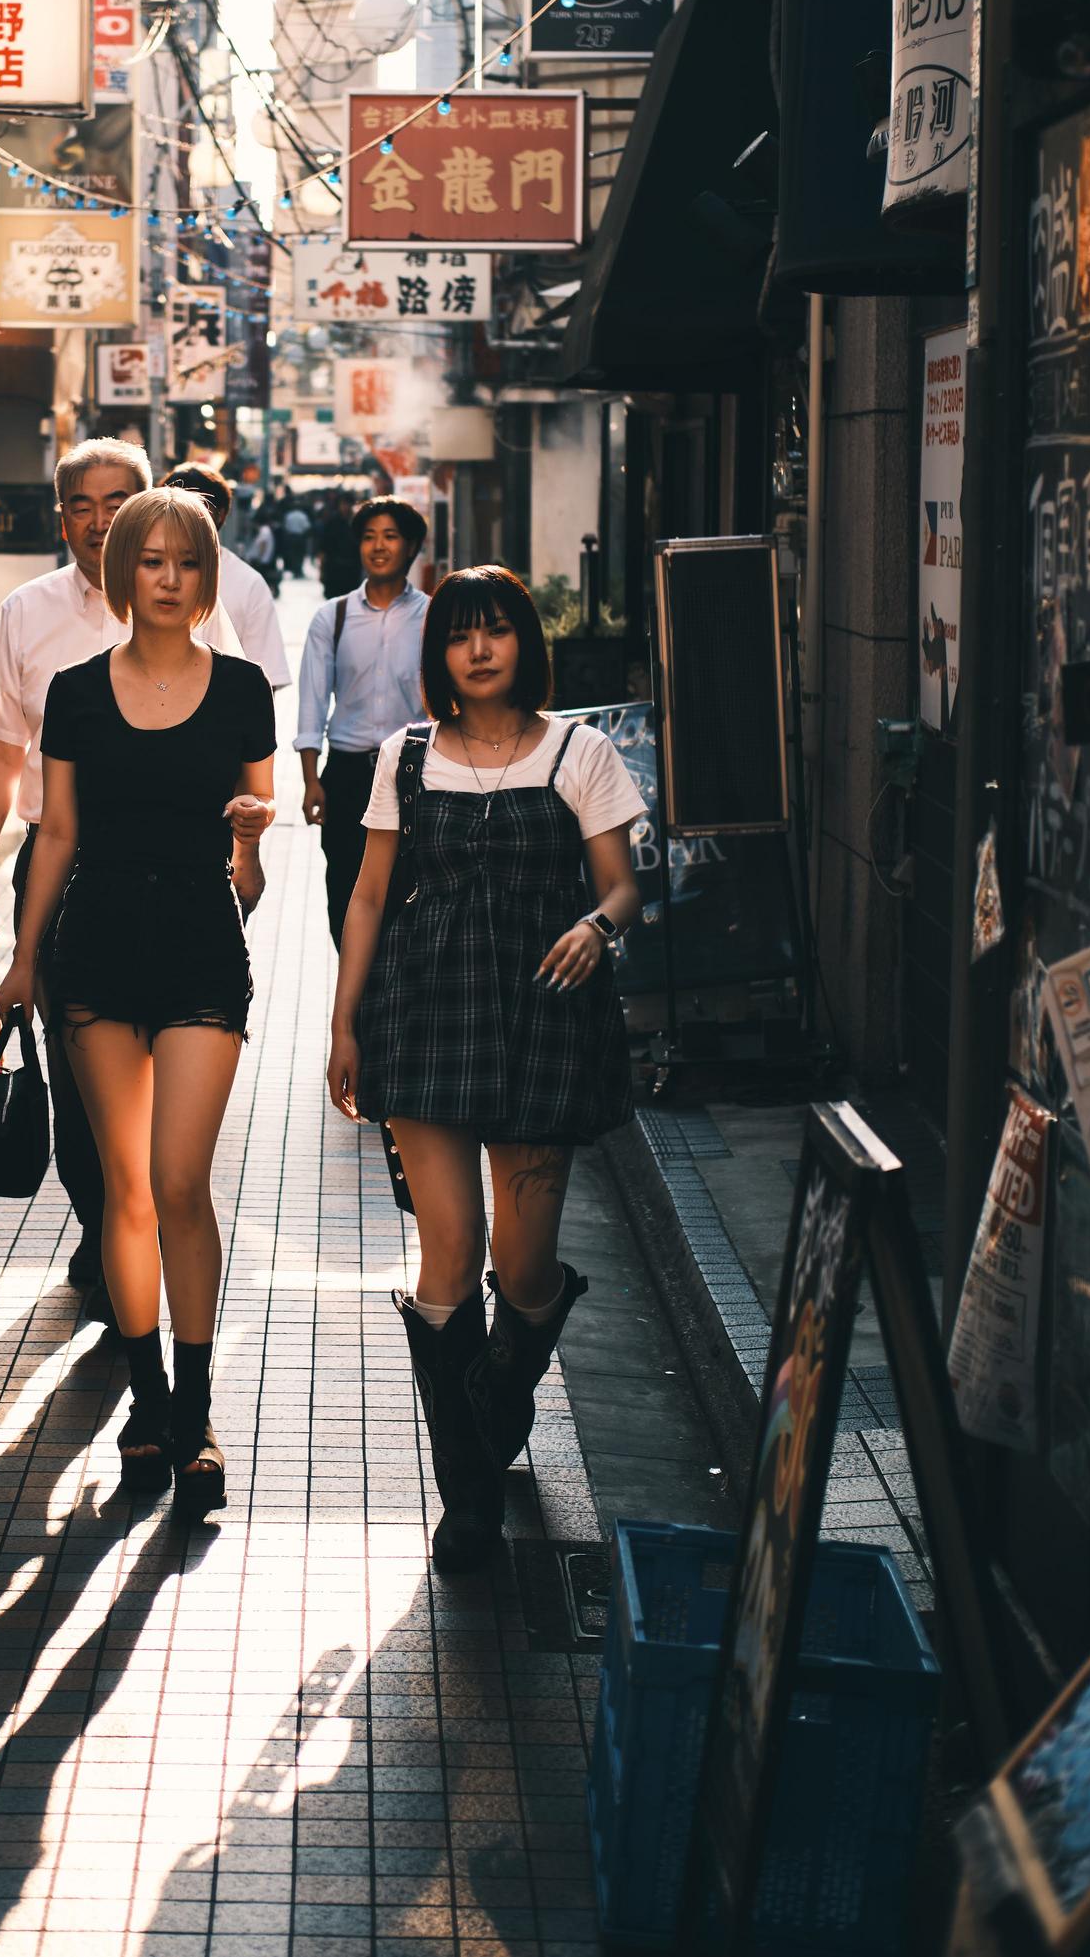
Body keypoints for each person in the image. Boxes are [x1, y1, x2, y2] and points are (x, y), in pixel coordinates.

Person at [327, 566, 643, 1572]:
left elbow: (622, 884)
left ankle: (496, 1411)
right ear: (440, 654)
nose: (477, 648)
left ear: (522, 643)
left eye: (496, 630)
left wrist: (597, 927)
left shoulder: (579, 750)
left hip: (545, 1014)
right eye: (460, 634)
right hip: (427, 1014)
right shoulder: (402, 756)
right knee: (450, 1253)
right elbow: (371, 896)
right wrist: (343, 1025)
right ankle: (467, 1497)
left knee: (524, 1262)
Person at [0, 489, 276, 1518]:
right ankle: (146, 1398)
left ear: (207, 577)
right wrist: (23, 957)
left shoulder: (244, 689)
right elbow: (57, 833)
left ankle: (196, 1411)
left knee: (179, 1181)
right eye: (147, 560)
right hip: (96, 942)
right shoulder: (71, 690)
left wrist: (248, 838)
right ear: (121, 574)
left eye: (185, 562)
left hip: (203, 939)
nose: (166, 577)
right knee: (122, 1187)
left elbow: (250, 875)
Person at [0, 437, 255, 1315]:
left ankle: (145, 1215)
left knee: (166, 1075)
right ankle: (108, 1222)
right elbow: (1, 750)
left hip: (175, 871)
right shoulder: (26, 612)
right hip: (61, 864)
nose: (101, 518)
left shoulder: (191, 606)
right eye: (81, 504)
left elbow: (233, 729)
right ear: (61, 517)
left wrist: (246, 846)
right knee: (75, 1067)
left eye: (118, 499)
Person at [295, 497, 428, 948]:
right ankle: (358, 994)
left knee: (411, 886)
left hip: (417, 773)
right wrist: (311, 780)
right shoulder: (331, 618)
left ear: (411, 547)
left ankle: (397, 994)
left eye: (390, 536)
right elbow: (311, 704)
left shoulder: (433, 617)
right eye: (369, 537)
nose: (378, 546)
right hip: (349, 775)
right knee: (346, 890)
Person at [163, 463, 290, 693]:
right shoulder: (142, 575)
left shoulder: (248, 583)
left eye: (196, 507)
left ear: (220, 514)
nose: (184, 517)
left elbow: (266, 677)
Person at [314, 490, 361, 598]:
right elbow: (323, 548)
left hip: (352, 569)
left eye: (349, 504)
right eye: (344, 504)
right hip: (334, 569)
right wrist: (321, 571)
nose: (346, 507)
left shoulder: (357, 523)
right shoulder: (332, 523)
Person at [281, 500, 311, 578]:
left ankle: (295, 570)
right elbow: (307, 527)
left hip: (291, 537)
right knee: (300, 554)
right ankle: (299, 570)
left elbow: (286, 527)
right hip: (300, 537)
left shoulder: (289, 515)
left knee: (293, 554)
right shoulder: (303, 516)